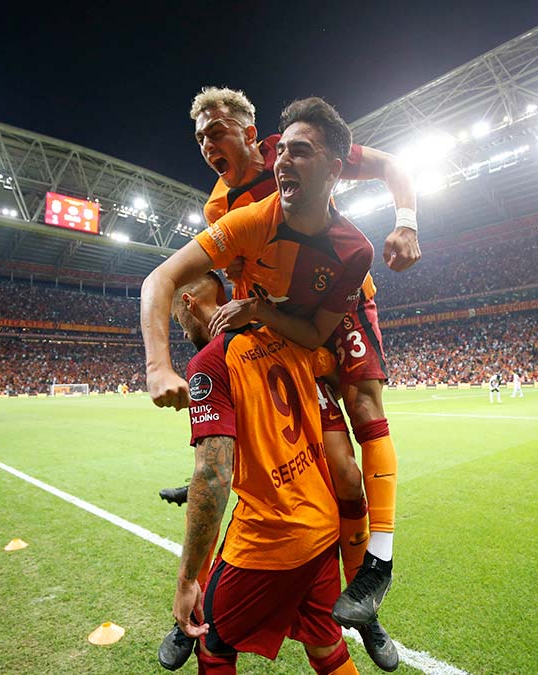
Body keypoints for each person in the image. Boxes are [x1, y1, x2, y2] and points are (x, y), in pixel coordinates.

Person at [152, 97, 395, 670]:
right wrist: (171, 356)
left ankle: (369, 595)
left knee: (345, 475)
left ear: (249, 134)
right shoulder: (224, 209)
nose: (208, 146)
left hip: (316, 323)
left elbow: (389, 166)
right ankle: (197, 599)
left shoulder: (305, 187)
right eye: (199, 138)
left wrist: (405, 221)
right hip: (270, 328)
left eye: (217, 132)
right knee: (223, 472)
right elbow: (179, 276)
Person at [169, 271, 366, 674]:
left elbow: (213, 475)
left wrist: (187, 580)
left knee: (210, 639)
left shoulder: (208, 363)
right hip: (322, 526)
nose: (182, 330)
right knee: (326, 647)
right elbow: (331, 368)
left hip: (269, 539)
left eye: (177, 319)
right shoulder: (283, 334)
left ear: (188, 303)